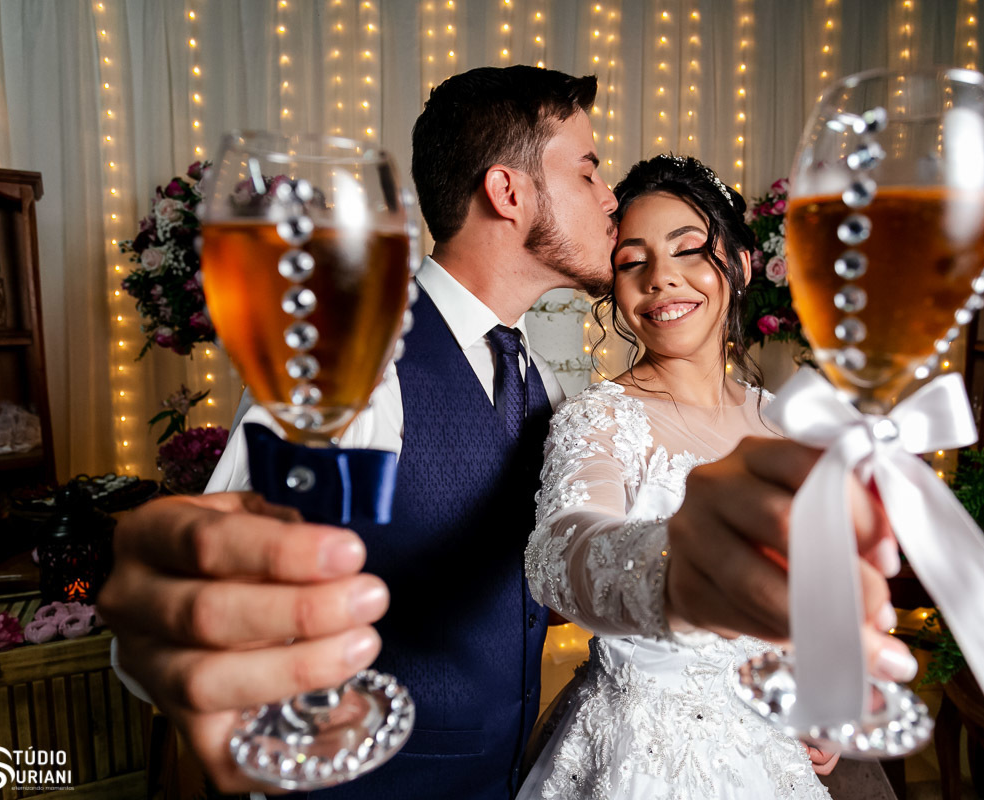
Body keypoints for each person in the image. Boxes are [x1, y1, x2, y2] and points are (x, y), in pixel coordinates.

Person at [99, 67, 911, 799]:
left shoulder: (547, 387)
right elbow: (213, 583)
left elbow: (544, 580)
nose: (607, 197)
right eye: (589, 169)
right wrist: (170, 641)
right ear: (509, 192)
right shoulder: (361, 359)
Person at [517, 154, 904, 799]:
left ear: (744, 264)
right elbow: (561, 551)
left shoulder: (786, 423)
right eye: (632, 261)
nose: (661, 279)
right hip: (643, 753)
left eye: (688, 249)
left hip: (772, 744)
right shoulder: (600, 419)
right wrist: (679, 570)